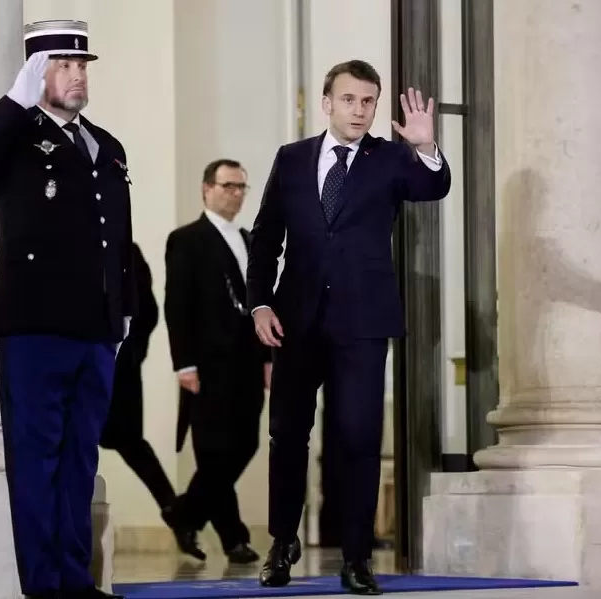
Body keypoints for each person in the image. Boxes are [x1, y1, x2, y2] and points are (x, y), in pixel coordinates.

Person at [248, 59, 451, 595]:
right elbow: (266, 238)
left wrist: (427, 147)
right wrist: (259, 305)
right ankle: (281, 542)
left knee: (358, 437)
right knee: (288, 434)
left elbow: (435, 188)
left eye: (368, 102)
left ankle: (357, 557)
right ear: (327, 102)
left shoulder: (389, 160)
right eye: (349, 100)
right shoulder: (291, 160)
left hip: (362, 322)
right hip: (295, 321)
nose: (359, 110)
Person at [0, 20, 134, 599]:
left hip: (95, 329)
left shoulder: (106, 145)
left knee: (80, 461)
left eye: (82, 65)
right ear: (36, 71)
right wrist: (15, 100)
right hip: (34, 327)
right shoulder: (14, 137)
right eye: (63, 64)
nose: (77, 74)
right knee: (36, 462)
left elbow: (116, 237)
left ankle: (74, 580)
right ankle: (44, 585)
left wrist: (122, 309)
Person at [163, 159, 269, 565]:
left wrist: (268, 357)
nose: (237, 194)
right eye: (228, 186)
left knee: (244, 445)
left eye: (242, 186)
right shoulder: (186, 239)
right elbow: (177, 306)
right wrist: (183, 363)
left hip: (247, 362)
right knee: (215, 451)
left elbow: (259, 302)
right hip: (206, 365)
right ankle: (233, 538)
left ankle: (183, 513)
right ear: (207, 189)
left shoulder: (247, 237)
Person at [99, 242, 178, 529]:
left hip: (119, 368)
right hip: (103, 366)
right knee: (128, 446)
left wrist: (131, 354)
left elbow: (148, 310)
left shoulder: (126, 252)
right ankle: (176, 513)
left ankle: (176, 513)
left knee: (130, 444)